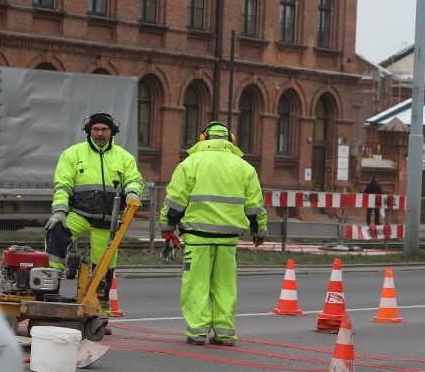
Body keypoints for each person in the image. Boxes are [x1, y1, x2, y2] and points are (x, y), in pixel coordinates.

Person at [159, 121, 268, 346]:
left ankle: (197, 332)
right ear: (231, 140)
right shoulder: (245, 167)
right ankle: (225, 333)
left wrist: (167, 226)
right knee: (225, 287)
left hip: (197, 238)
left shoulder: (190, 163)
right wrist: (259, 231)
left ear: (203, 139)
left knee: (196, 285)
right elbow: (255, 205)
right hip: (228, 241)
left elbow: (176, 199)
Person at [45, 112, 144, 310]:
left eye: (104, 129)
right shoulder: (72, 154)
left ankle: (99, 312)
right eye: (96, 129)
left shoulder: (125, 158)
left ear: (112, 132)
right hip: (78, 215)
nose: (100, 133)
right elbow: (63, 186)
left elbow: (134, 179)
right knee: (55, 232)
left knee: (103, 267)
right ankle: (49, 290)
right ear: (89, 131)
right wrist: (59, 212)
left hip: (107, 222)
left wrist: (133, 193)